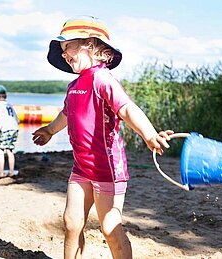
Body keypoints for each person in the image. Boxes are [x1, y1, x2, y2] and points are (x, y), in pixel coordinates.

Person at [32, 16, 173, 259]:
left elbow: (127, 108)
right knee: (71, 223)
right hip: (81, 168)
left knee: (110, 227)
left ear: (92, 46)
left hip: (107, 168)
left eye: (68, 47)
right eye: (63, 50)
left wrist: (149, 134)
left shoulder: (102, 79)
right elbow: (66, 114)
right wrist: (49, 130)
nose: (64, 54)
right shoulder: (74, 86)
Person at [0, 84, 20, 178]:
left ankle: (1, 172)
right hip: (14, 128)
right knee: (10, 150)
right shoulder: (9, 105)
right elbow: (17, 119)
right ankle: (11, 172)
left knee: (0, 149)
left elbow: (0, 119)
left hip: (6, 129)